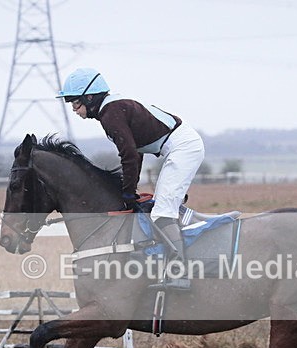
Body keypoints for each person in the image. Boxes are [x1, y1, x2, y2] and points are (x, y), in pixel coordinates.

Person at [57, 67, 205, 290]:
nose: (75, 110)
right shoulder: (113, 109)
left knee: (163, 212)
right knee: (160, 207)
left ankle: (179, 274)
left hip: (182, 147)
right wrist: (130, 189)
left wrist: (128, 191)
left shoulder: (110, 114)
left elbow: (130, 155)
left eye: (75, 103)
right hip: (176, 146)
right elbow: (136, 152)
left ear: (90, 97)